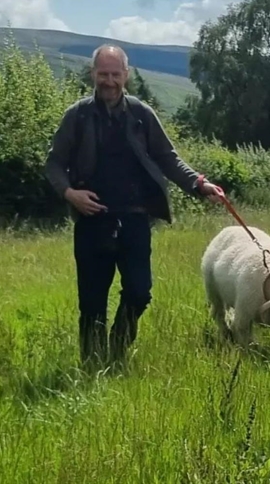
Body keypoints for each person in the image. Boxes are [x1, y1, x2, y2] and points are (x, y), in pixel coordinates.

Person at [44, 44, 224, 369]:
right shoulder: (78, 115)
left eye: (115, 74)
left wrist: (198, 183)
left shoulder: (141, 114)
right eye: (103, 74)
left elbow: (168, 158)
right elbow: (54, 163)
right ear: (93, 74)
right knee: (92, 302)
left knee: (140, 292)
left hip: (134, 220)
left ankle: (118, 349)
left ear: (126, 75)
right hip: (92, 221)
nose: (109, 81)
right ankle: (92, 365)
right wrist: (70, 193)